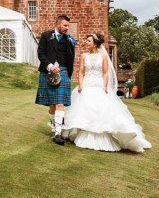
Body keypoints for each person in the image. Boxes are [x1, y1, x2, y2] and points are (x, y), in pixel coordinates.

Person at [61, 32, 152, 152]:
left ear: (95, 43)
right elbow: (81, 72)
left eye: (88, 41)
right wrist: (81, 84)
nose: (86, 43)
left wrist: (105, 86)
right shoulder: (84, 56)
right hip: (87, 84)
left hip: (99, 85)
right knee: (85, 108)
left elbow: (105, 72)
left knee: (101, 109)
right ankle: (83, 133)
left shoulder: (103, 56)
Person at [36, 15, 76, 145]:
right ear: (58, 24)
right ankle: (55, 128)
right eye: (65, 25)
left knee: (60, 103)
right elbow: (40, 53)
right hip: (47, 71)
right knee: (52, 104)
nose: (67, 28)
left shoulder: (69, 39)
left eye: (68, 26)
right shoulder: (46, 36)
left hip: (63, 71)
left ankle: (58, 133)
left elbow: (71, 57)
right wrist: (49, 65)